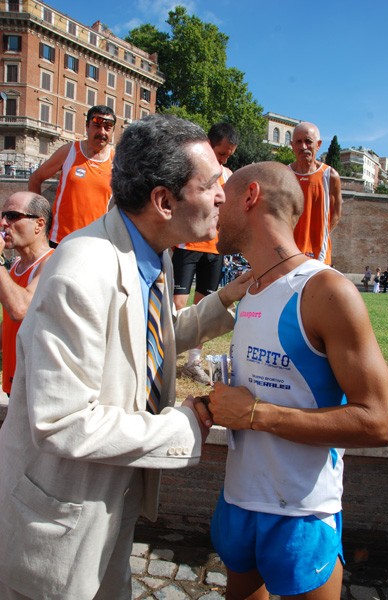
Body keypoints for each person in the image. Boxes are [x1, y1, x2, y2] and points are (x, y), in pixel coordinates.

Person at [0, 114, 251, 600]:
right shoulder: (81, 270)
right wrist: (187, 423)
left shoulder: (150, 251)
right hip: (59, 518)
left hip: (109, 501)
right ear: (163, 200)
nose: (223, 194)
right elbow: (62, 423)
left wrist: (225, 299)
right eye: (211, 183)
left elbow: (146, 335)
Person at [195, 161, 388, 600]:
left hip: (301, 513)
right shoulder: (249, 288)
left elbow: (380, 423)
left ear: (250, 197)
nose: (215, 202)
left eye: (223, 194)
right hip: (238, 499)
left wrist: (254, 414)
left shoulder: (325, 291)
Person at [172, 121, 239, 384]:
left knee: (205, 307)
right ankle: (163, 354)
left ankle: (193, 363)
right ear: (209, 145)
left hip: (215, 249)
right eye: (221, 153)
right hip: (187, 245)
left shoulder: (229, 175)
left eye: (227, 156)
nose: (223, 159)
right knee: (177, 303)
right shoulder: (189, 168)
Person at [28, 105, 116, 247]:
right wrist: (36, 218)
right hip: (61, 240)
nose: (102, 132)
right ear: (87, 126)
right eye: (97, 126)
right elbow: (35, 178)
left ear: (112, 131)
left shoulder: (116, 161)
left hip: (96, 242)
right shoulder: (69, 151)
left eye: (107, 128)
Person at [0, 191, 54, 395]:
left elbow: (20, 309)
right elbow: (10, 323)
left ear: (39, 224)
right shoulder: (15, 267)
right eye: (3, 215)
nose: (4, 222)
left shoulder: (52, 262)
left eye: (12, 216)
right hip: (14, 383)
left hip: (36, 388)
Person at [290, 122, 342, 265]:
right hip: (288, 253)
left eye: (308, 141)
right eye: (298, 142)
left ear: (318, 145)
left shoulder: (330, 176)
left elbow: (336, 214)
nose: (303, 147)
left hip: (318, 255)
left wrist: (319, 236)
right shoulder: (284, 174)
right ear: (292, 145)